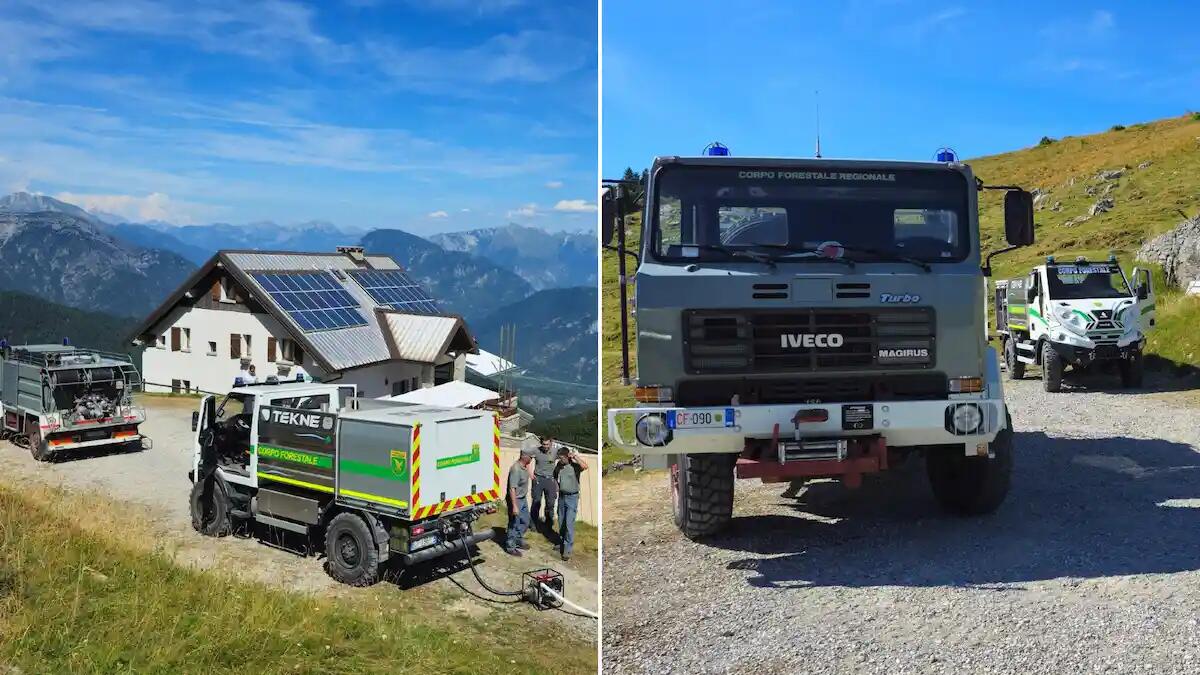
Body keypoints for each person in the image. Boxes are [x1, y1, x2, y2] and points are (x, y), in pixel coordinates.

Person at [553, 446, 588, 562]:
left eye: (562, 458)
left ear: (567, 456)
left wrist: (575, 457)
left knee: (569, 523)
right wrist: (557, 488)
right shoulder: (558, 466)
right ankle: (562, 544)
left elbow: (585, 466)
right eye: (559, 458)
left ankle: (567, 549)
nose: (560, 460)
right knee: (561, 522)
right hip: (562, 497)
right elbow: (555, 477)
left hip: (572, 497)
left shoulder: (575, 466)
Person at [504, 448, 535, 556]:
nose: (532, 459)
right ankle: (510, 546)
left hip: (522, 498)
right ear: (524, 457)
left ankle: (518, 539)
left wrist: (531, 474)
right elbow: (512, 489)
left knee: (526, 521)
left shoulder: (524, 466)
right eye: (530, 457)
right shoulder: (516, 469)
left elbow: (527, 467)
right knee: (514, 522)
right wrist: (514, 506)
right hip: (515, 499)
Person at [529, 435, 558, 528]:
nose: (545, 446)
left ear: (551, 443)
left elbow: (564, 459)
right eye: (544, 444)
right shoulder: (536, 450)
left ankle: (548, 524)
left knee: (550, 503)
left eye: (547, 444)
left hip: (550, 479)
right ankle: (533, 523)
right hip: (538, 479)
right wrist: (530, 473)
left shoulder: (555, 451)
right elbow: (525, 458)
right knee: (536, 501)